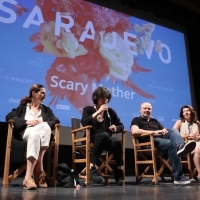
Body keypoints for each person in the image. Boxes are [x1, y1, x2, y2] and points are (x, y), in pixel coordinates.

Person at [6, 84, 60, 190]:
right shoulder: (22, 108)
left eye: (45, 93)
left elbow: (56, 121)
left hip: (38, 135)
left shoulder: (46, 110)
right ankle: (39, 169)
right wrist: (27, 121)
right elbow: (9, 117)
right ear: (34, 93)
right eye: (42, 93)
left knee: (43, 129)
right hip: (26, 132)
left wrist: (42, 122)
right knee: (38, 131)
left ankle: (28, 177)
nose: (44, 96)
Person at [131, 102, 196, 185]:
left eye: (149, 109)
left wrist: (163, 131)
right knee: (172, 145)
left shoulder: (154, 121)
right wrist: (154, 132)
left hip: (161, 141)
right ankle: (178, 177)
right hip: (148, 143)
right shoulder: (137, 120)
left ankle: (181, 146)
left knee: (173, 130)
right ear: (140, 110)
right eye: (145, 108)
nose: (147, 110)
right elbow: (134, 131)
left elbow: (165, 131)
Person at [81, 86, 124, 185]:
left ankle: (118, 171)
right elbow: (84, 122)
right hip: (91, 140)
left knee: (116, 141)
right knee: (104, 135)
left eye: (107, 97)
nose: (106, 100)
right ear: (96, 98)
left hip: (105, 141)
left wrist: (116, 128)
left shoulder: (110, 112)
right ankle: (92, 168)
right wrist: (98, 112)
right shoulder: (88, 109)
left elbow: (121, 125)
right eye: (103, 97)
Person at [173, 105, 200, 181]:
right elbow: (173, 135)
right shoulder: (180, 122)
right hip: (186, 144)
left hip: (197, 142)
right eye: (184, 111)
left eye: (187, 110)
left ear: (191, 112)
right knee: (197, 149)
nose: (186, 113)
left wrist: (198, 137)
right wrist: (188, 136)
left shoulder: (197, 123)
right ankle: (199, 174)